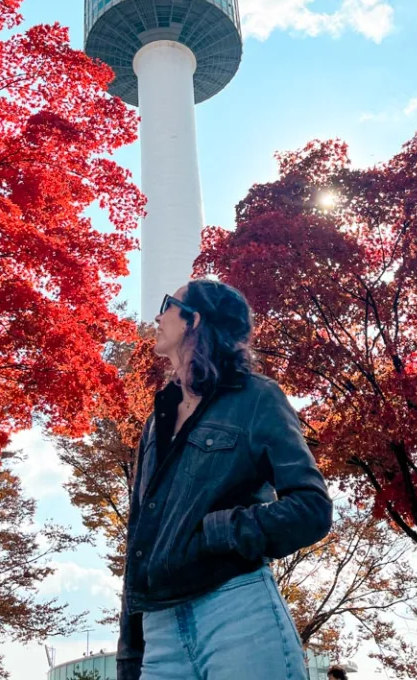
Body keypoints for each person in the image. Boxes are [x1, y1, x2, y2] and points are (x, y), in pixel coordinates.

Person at [117, 279, 334, 680]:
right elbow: (139, 537)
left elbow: (312, 508)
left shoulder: (256, 398)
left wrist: (220, 530)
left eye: (167, 305)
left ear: (192, 320)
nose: (156, 316)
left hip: (235, 610)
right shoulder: (158, 418)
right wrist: (131, 648)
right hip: (159, 630)